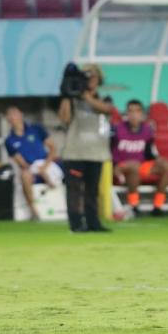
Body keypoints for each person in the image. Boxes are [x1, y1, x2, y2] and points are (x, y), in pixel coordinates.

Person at [54, 64, 115, 232]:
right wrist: (67, 95)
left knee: (92, 190)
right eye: (87, 77)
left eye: (94, 77)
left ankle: (93, 222)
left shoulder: (104, 97)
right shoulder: (73, 99)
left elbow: (106, 109)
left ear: (99, 79)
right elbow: (64, 119)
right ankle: (76, 224)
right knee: (74, 189)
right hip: (75, 152)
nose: (91, 81)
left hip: (97, 152)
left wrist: (85, 95)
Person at [112, 99, 168, 216]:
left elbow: (149, 152)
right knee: (134, 166)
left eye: (137, 111)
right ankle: (134, 205)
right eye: (130, 111)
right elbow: (108, 150)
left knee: (166, 165)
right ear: (127, 114)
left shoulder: (147, 129)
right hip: (121, 166)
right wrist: (114, 166)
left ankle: (158, 207)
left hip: (141, 165)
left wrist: (157, 159)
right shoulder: (117, 129)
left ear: (142, 114)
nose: (134, 115)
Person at [3, 106, 59, 221]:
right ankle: (34, 211)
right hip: (32, 169)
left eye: (15, 113)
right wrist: (35, 169)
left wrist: (44, 167)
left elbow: (53, 149)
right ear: (7, 119)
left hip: (47, 164)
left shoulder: (36, 129)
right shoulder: (9, 141)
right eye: (10, 114)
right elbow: (21, 163)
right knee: (24, 175)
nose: (13, 117)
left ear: (21, 114)